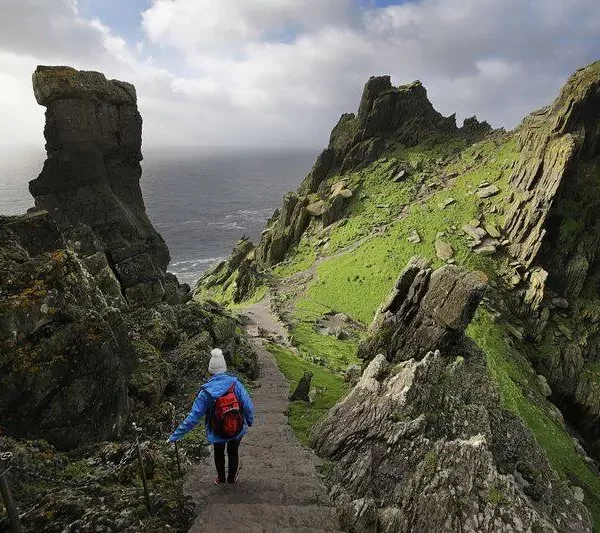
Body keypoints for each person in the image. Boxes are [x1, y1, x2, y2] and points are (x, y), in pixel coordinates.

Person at [167, 348, 254, 484]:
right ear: (224, 367)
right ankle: (232, 477)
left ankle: (221, 478)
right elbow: (248, 405)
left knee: (218, 452)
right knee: (233, 451)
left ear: (210, 370)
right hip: (236, 428)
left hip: (217, 429)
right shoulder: (235, 384)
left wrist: (175, 436)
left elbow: (193, 417)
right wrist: (249, 421)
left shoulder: (206, 392)